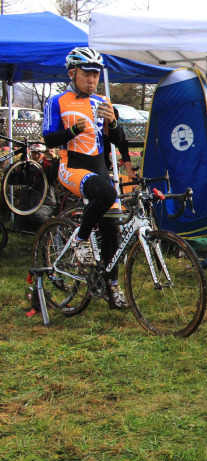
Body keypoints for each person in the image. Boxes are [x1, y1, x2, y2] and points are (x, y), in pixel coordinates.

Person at [43, 47, 129, 309]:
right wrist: (71, 130)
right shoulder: (57, 101)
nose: (92, 80)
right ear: (73, 73)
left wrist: (113, 122)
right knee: (108, 194)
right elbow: (48, 138)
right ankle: (80, 241)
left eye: (95, 74)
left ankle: (111, 286)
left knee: (112, 230)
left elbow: (118, 140)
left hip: (99, 170)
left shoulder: (102, 102)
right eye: (86, 74)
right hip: (72, 168)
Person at [12, 144, 59, 232]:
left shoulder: (49, 166)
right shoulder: (26, 167)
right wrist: (16, 170)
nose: (36, 155)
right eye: (34, 153)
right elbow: (12, 181)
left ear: (43, 153)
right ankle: (37, 229)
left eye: (39, 153)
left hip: (45, 204)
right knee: (18, 226)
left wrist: (55, 159)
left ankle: (55, 226)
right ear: (31, 153)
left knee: (38, 217)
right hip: (27, 205)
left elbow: (56, 173)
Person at [103, 106, 136, 181]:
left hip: (104, 166)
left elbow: (124, 152)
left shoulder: (118, 132)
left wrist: (129, 172)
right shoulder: (96, 130)